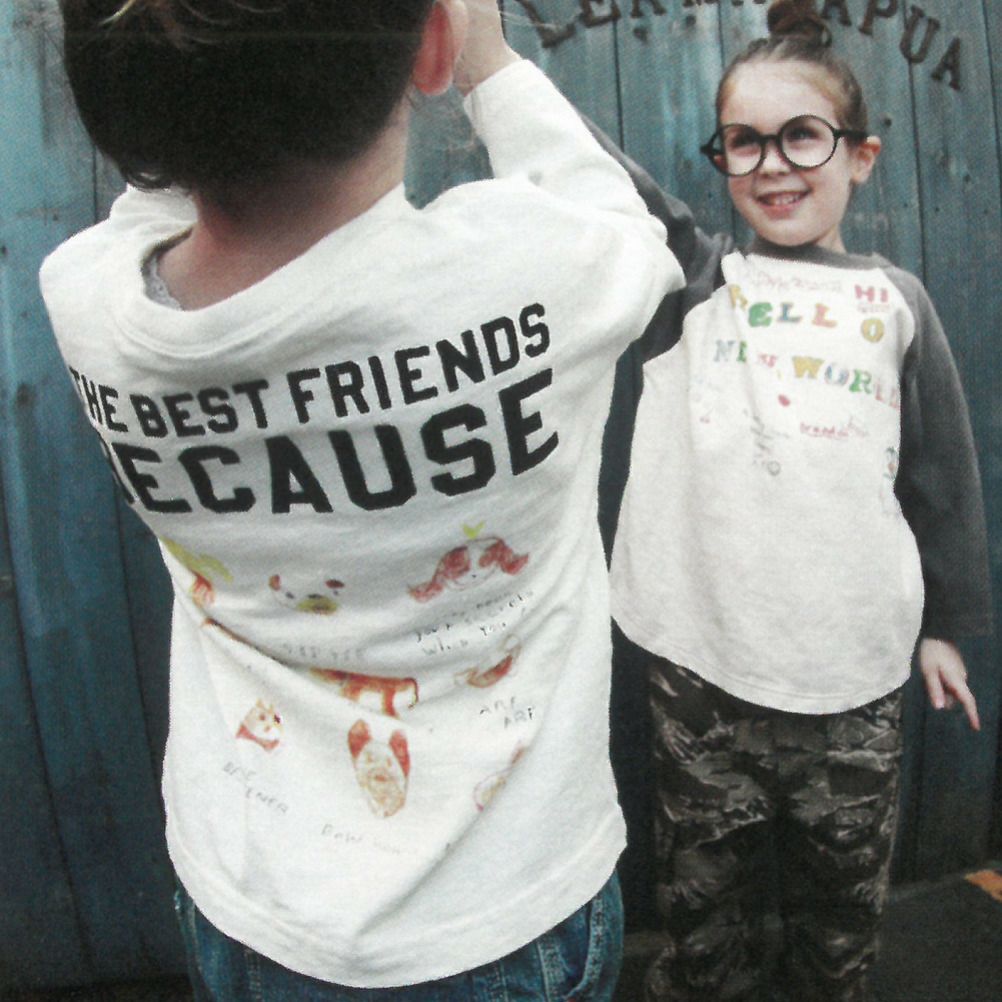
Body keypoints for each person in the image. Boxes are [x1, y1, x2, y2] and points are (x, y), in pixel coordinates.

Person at [41, 1, 684, 998]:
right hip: (502, 914)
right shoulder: (531, 272)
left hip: (251, 905)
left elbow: (161, 178)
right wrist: (492, 63)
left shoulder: (88, 302)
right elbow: (628, 226)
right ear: (431, 44)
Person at [605, 1, 993, 999]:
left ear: (860, 156)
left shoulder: (897, 301)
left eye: (802, 136)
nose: (773, 164)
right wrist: (490, 75)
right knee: (703, 919)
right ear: (723, 158)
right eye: (745, 141)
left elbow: (941, 477)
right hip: (703, 678)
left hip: (854, 681)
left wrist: (946, 628)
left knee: (839, 918)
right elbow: (610, 182)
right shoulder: (700, 284)